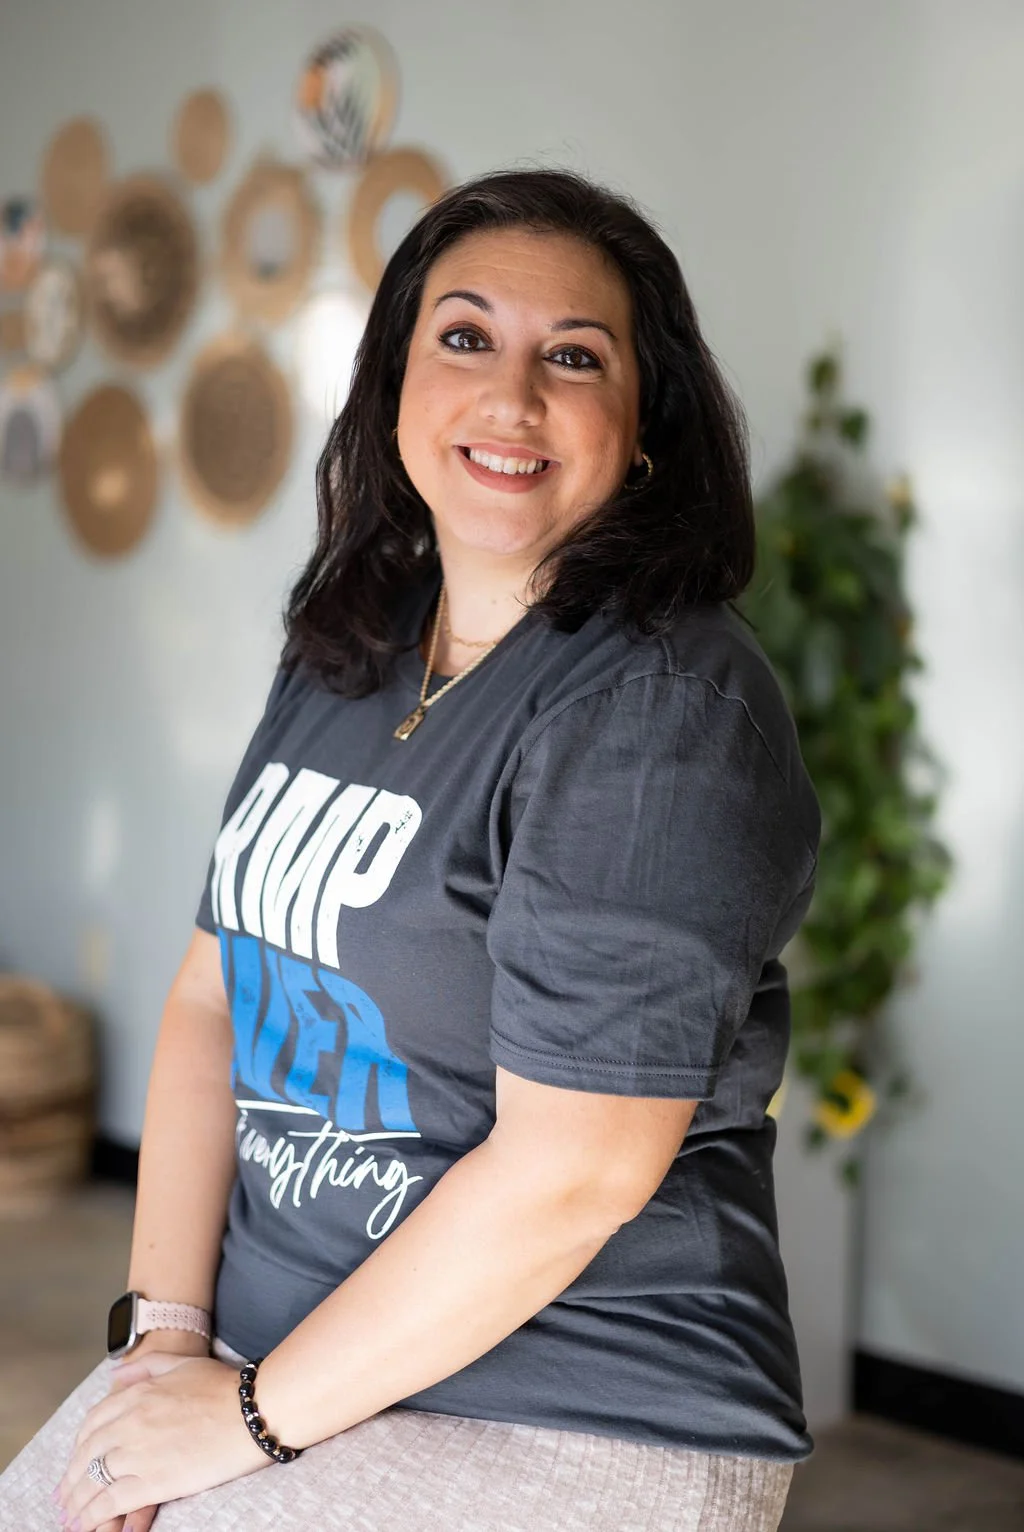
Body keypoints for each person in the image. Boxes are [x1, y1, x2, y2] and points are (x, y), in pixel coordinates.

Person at [2, 168, 820, 1532]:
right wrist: (162, 1340)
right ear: (394, 387)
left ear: (647, 426)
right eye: (465, 337)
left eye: (574, 357)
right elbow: (216, 1002)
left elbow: (575, 1175)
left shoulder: (661, 708)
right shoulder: (350, 643)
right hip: (268, 1362)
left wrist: (249, 1423)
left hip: (566, 1409)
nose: (512, 398)